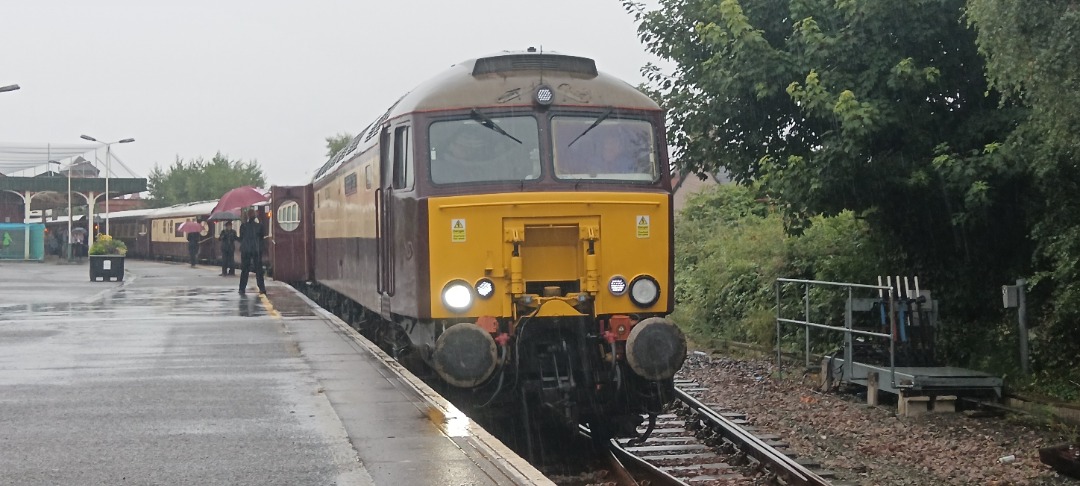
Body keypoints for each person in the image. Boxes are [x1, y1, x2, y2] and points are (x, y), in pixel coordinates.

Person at [238, 209, 266, 295]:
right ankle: (262, 288)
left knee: (245, 270)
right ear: (254, 216)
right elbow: (262, 236)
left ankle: (242, 288)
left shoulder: (243, 226)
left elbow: (241, 237)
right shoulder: (259, 226)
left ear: (247, 216)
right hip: (256, 250)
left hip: (246, 250)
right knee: (258, 270)